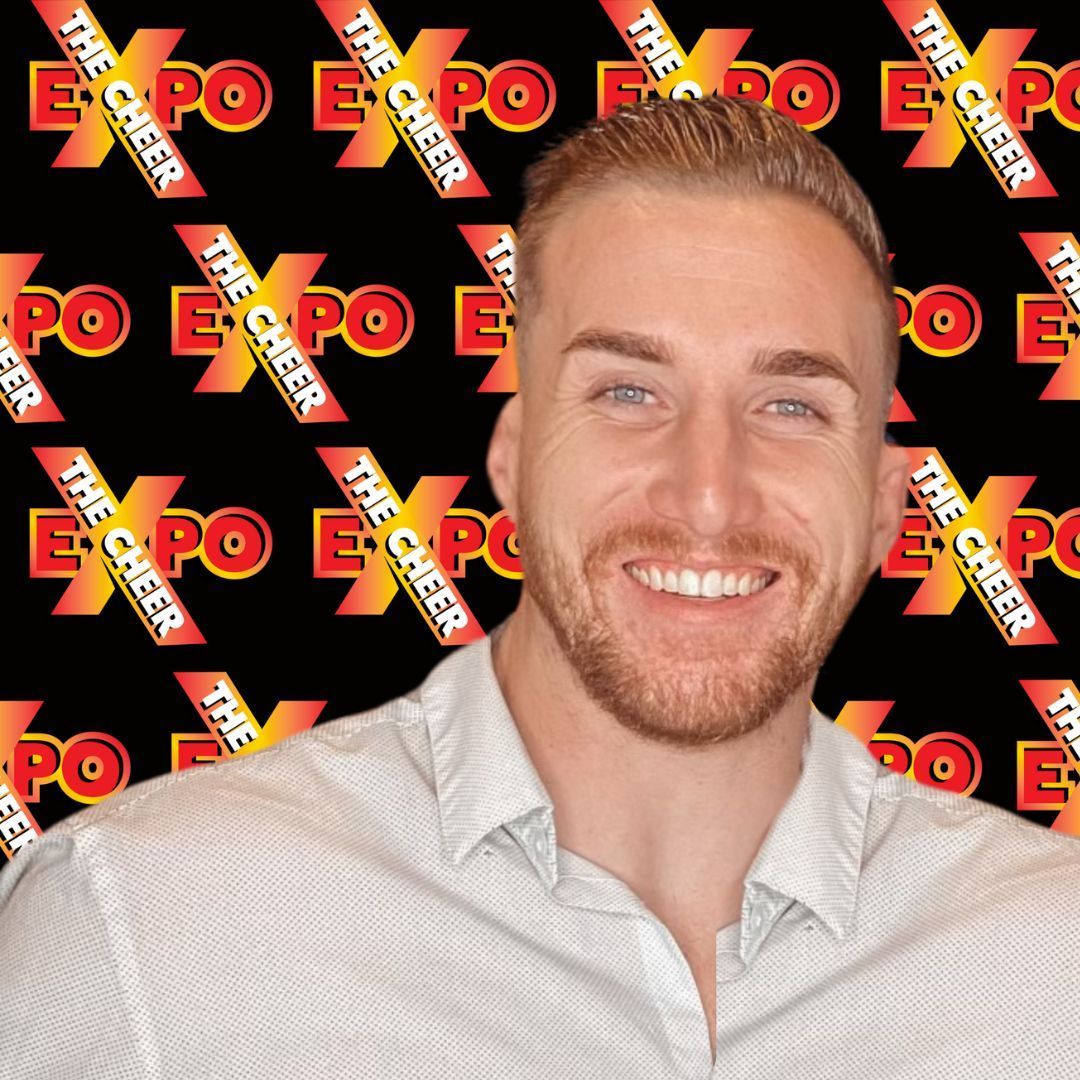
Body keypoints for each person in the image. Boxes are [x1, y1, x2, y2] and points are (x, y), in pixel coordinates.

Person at [2, 95, 1077, 1080]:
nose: (708, 494)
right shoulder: (144, 927)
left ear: (889, 503)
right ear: (513, 459)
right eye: (626, 390)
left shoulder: (1050, 966)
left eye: (792, 406)